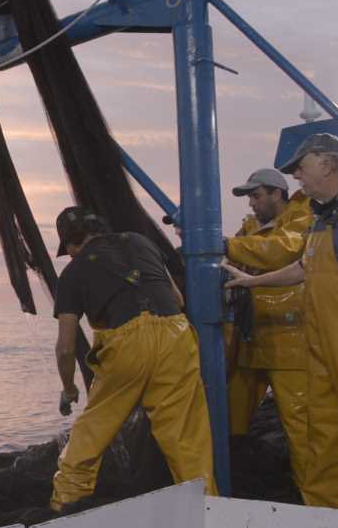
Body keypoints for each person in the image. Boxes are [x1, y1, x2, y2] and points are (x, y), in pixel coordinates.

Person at [224, 133, 338, 512]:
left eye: (301, 170)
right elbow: (303, 267)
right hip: (322, 352)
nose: (298, 180)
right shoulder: (324, 215)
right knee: (325, 444)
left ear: (326, 163)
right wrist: (251, 281)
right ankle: (330, 524)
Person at [50, 206, 217, 512]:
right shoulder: (141, 242)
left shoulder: (73, 272)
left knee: (88, 439)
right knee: (188, 442)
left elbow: (65, 347)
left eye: (70, 250)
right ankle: (207, 516)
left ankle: (62, 511)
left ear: (72, 245)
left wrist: (70, 389)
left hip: (127, 344)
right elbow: (177, 299)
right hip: (176, 335)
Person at [224, 168, 313, 495]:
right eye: (249, 197)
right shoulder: (248, 229)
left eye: (256, 195)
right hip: (250, 340)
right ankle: (234, 489)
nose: (251, 203)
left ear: (278, 193)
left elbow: (284, 251)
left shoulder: (302, 220)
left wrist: (227, 247)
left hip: (288, 343)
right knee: (231, 421)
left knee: (300, 428)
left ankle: (314, 500)